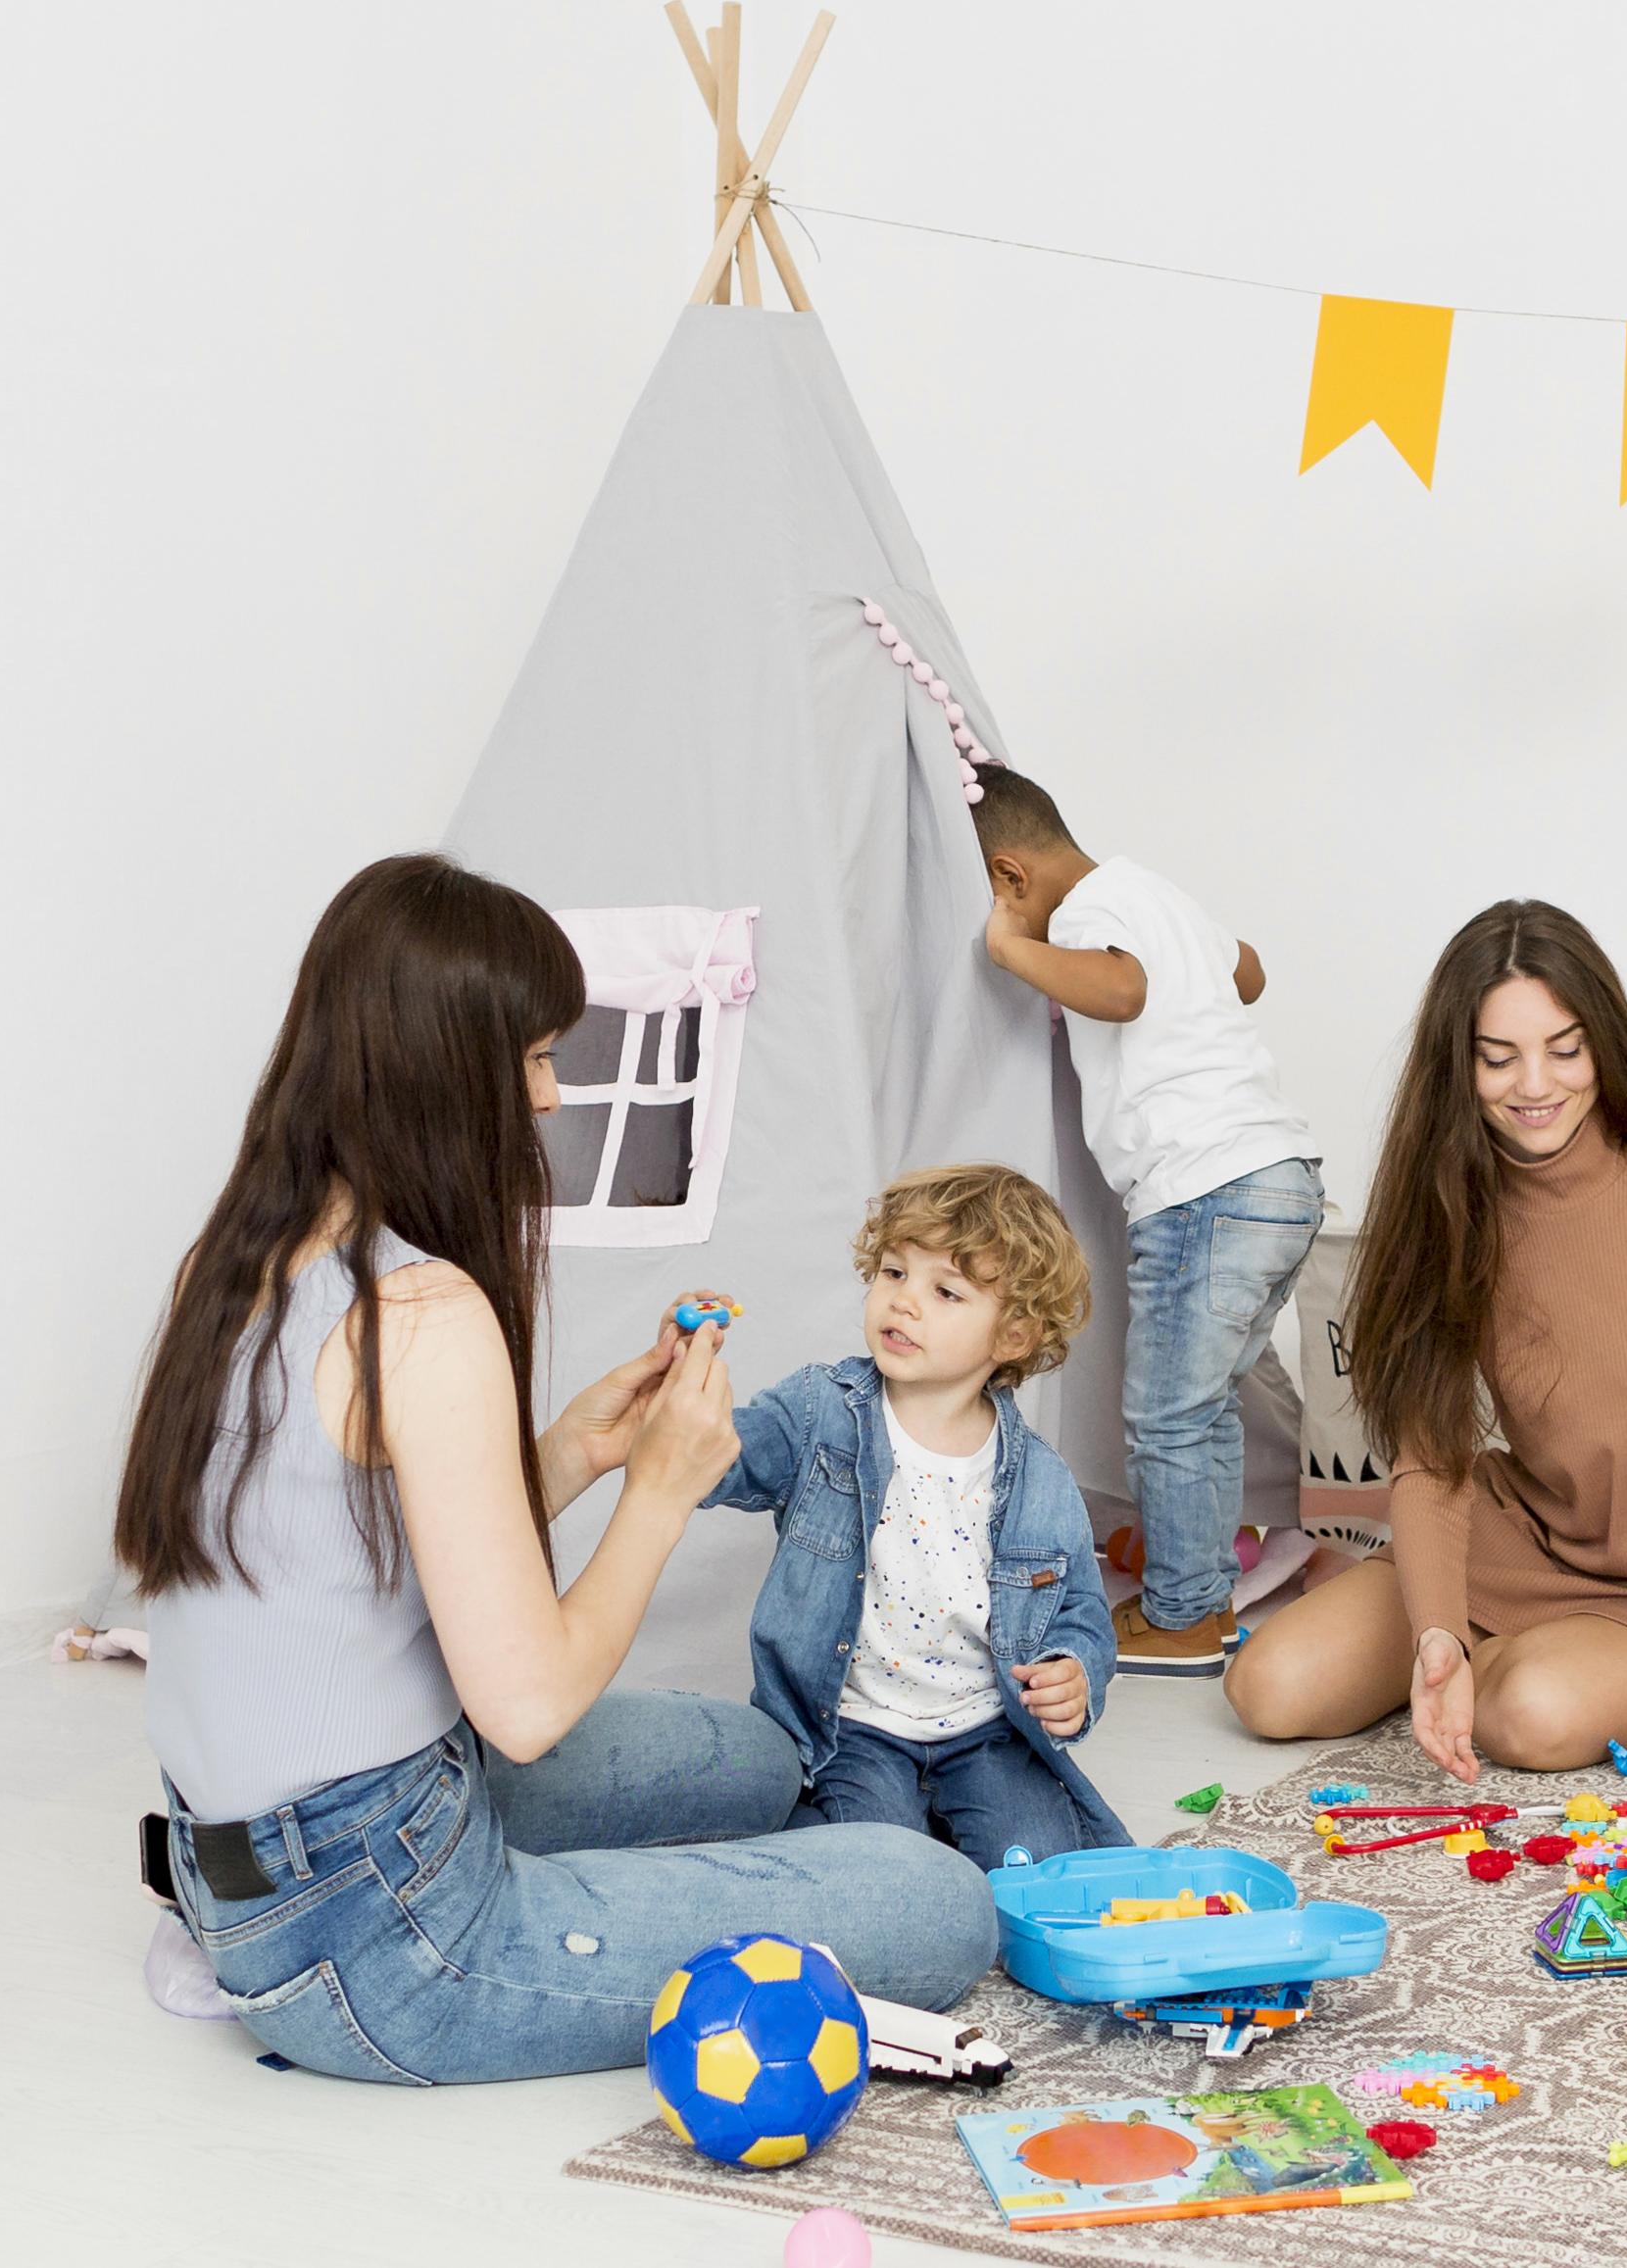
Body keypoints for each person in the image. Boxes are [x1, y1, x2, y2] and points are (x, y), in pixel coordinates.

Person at [119, 855, 990, 2086]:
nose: (549, 1097)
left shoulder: (240, 1254)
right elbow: (527, 1706)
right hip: (380, 1938)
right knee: (936, 1903)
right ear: (446, 1075)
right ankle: (489, 1934)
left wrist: (575, 1451)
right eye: (535, 1057)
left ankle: (252, 1928)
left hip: (259, 1854)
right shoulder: (425, 1309)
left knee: (750, 1763)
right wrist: (661, 1490)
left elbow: (348, 1550)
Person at [1222, 900, 1627, 1795]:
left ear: (1603, 1045)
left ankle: (1534, 1664)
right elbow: (1432, 1461)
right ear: (1457, 1064)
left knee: (1527, 1716)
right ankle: (1496, 1650)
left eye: (1563, 1050)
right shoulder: (1445, 1211)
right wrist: (1437, 1633)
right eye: (1498, 1058)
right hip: (1526, 1540)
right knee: (1266, 1688)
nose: (1533, 1084)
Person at [975, 764, 1322, 1677]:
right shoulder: (1155, 892)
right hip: (1281, 1175)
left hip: (1205, 1187)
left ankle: (1184, 1616)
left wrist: (1013, 952)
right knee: (1200, 1413)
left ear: (1011, 879)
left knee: (1166, 1418)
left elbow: (1121, 992)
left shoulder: (1087, 913)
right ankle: (1204, 1583)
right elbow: (1247, 972)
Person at [705, 1162, 1128, 1868]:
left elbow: (1081, 1612)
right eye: (894, 1273)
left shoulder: (1040, 1480)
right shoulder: (822, 1412)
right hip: (853, 1725)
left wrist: (1074, 1671)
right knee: (881, 1869)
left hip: (984, 1729)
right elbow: (720, 1458)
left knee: (1043, 1867)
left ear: (1014, 1336)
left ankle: (950, 1824)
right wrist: (682, 1405)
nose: (903, 1303)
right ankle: (849, 1825)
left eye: (944, 1291)